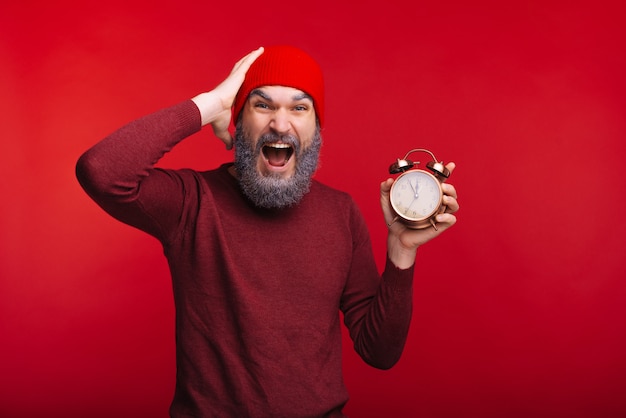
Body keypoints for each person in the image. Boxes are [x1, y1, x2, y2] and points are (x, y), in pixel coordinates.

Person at [76, 45, 459, 417]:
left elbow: (380, 352)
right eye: (262, 105)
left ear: (316, 128)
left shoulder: (341, 213)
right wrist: (209, 104)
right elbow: (102, 172)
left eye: (299, 107)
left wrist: (402, 252)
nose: (280, 123)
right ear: (238, 120)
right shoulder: (191, 202)